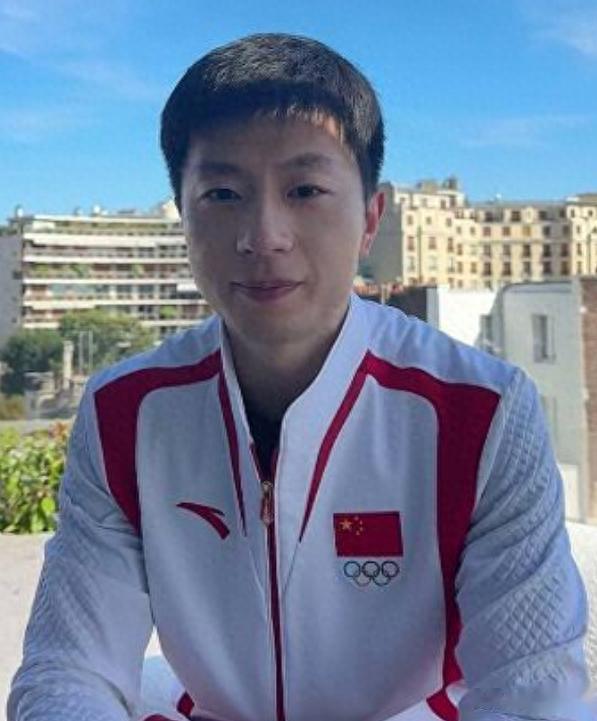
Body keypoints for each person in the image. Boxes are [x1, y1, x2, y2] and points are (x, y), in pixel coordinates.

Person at [8, 33, 593, 721]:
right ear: (183, 218)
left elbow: (534, 695)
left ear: (370, 218)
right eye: (222, 193)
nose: (264, 235)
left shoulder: (481, 411)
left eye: (305, 190)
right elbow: (67, 668)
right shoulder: (126, 415)